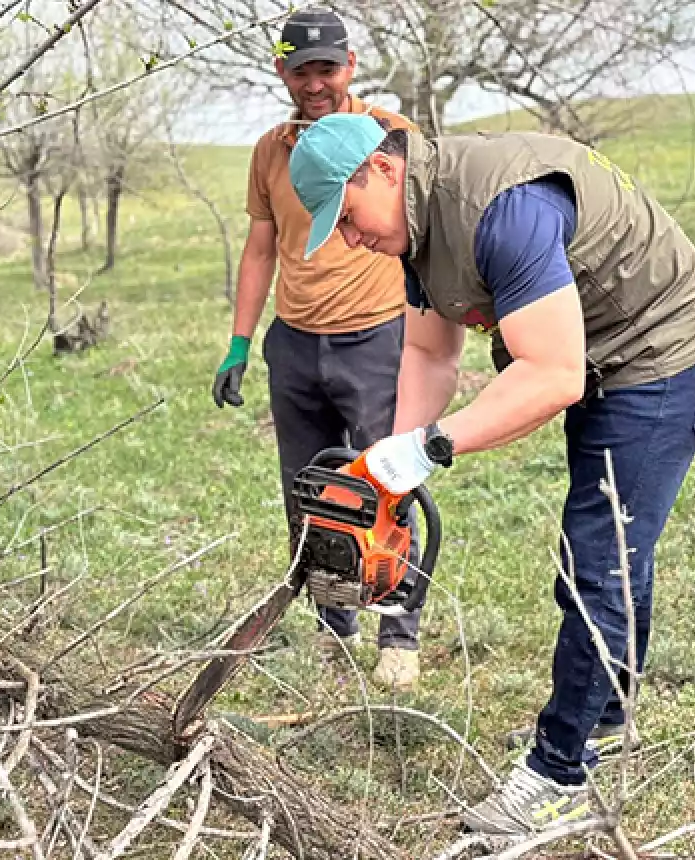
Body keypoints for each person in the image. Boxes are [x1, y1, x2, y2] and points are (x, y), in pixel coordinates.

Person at [287, 113, 695, 834]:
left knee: (598, 562)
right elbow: (430, 355)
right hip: (601, 356)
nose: (349, 239)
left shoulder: (503, 210)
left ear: (382, 169)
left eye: (345, 217)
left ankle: (559, 776)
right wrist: (387, 464)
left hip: (664, 353)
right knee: (612, 551)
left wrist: (430, 447)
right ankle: (604, 720)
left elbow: (553, 374)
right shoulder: (419, 225)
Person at [210, 8, 427, 691]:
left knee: (387, 482)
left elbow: (424, 234)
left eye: (326, 69)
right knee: (309, 493)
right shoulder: (270, 151)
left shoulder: (390, 137)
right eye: (300, 71)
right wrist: (239, 344)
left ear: (350, 66)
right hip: (296, 343)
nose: (314, 84)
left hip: (376, 336)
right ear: (282, 72)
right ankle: (336, 627)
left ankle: (399, 633)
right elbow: (260, 249)